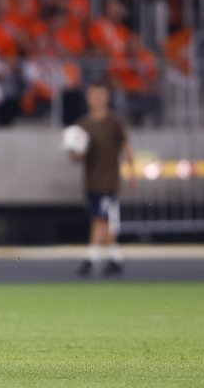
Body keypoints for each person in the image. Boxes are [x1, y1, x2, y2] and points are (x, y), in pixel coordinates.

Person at [71, 80, 135, 277]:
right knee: (104, 220)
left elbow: (126, 147)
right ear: (88, 98)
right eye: (94, 95)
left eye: (101, 95)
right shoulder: (84, 124)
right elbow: (77, 157)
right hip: (91, 180)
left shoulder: (114, 122)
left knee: (100, 218)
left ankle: (92, 257)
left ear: (107, 97)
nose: (97, 99)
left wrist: (131, 172)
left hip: (109, 180)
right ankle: (115, 257)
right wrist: (74, 151)